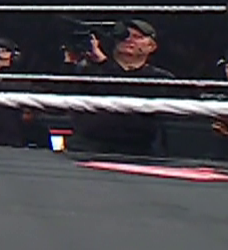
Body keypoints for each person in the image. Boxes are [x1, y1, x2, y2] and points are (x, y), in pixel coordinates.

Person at [63, 19, 176, 156]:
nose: (129, 40)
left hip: (138, 152)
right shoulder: (89, 71)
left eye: (137, 37)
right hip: (88, 149)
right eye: (124, 35)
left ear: (152, 46)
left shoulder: (160, 79)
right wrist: (70, 61)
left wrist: (103, 63)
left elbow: (131, 103)